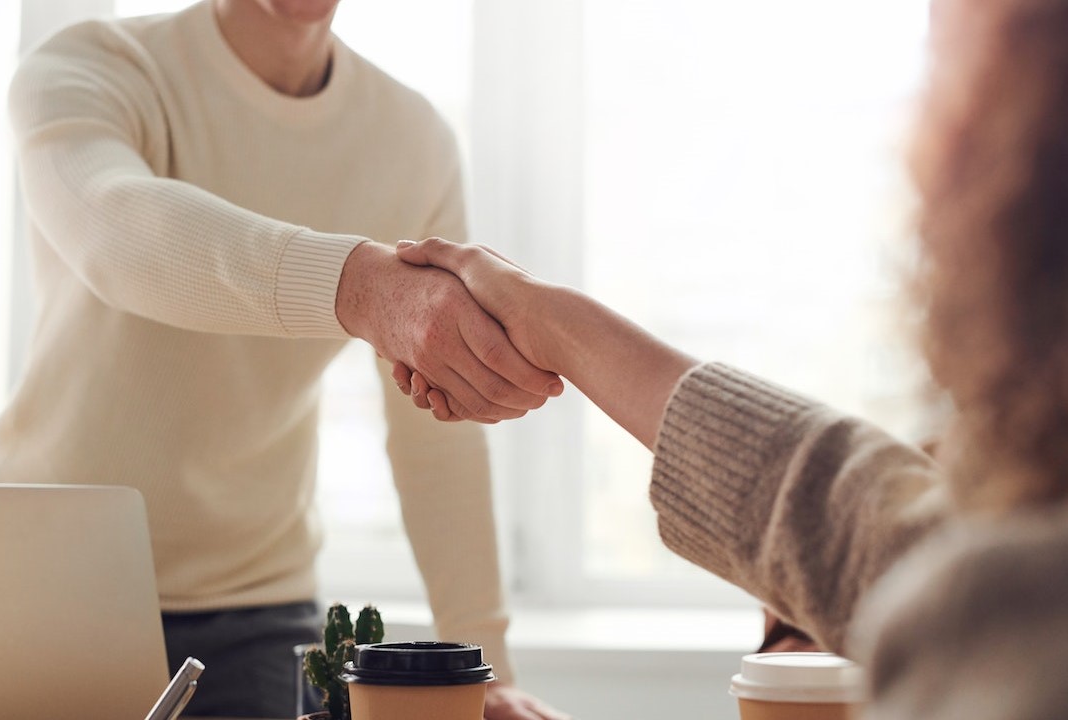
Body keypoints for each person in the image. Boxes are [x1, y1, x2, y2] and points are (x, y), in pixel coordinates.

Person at [391, 0, 1068, 716]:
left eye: (952, 77)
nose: (918, 140)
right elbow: (876, 529)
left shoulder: (1007, 618)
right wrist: (554, 322)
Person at [0, 0, 569, 718]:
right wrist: (357, 287)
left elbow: (434, 435)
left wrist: (485, 669)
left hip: (256, 611)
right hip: (38, 585)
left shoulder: (410, 139)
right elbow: (117, 232)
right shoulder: (94, 64)